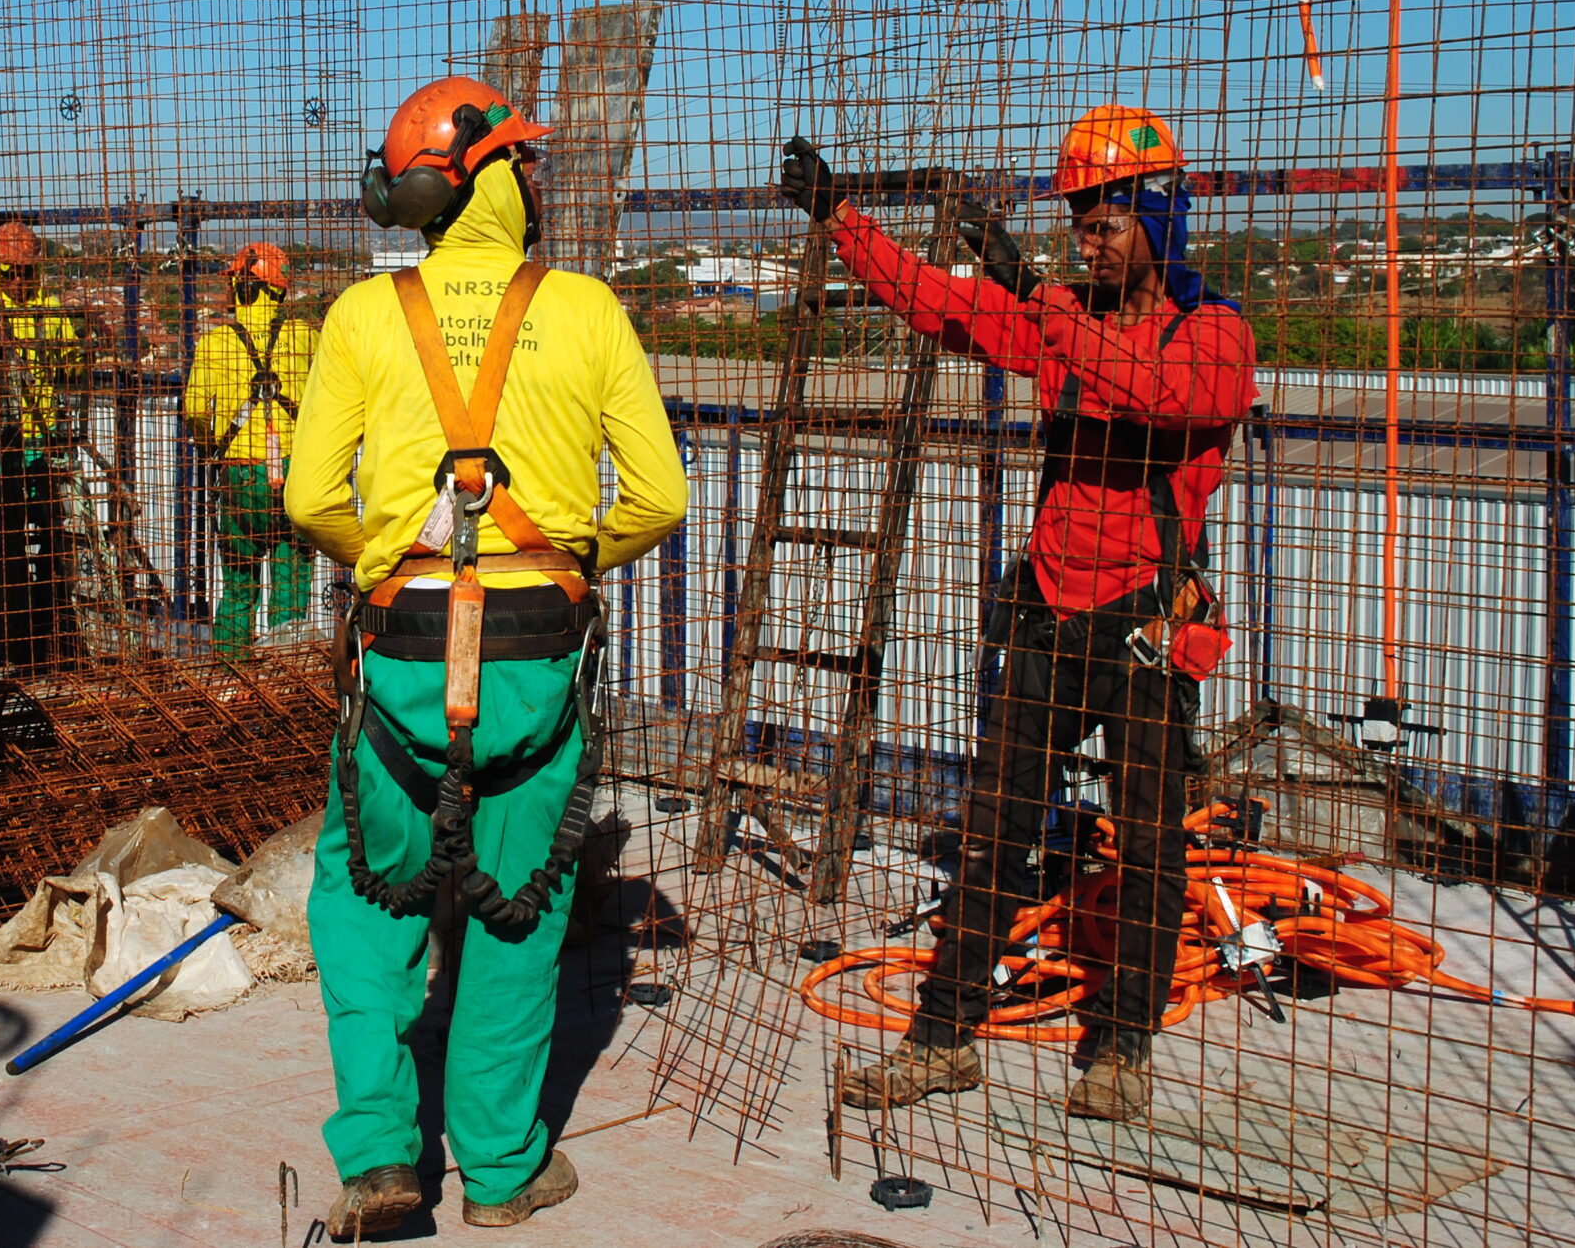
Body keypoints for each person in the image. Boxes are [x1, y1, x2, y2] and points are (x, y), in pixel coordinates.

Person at [783, 104, 1258, 1123]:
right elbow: (932, 304)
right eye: (1077, 221)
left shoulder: (1211, 332)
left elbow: (1156, 399)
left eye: (1105, 220)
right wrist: (842, 218)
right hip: (1046, 618)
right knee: (995, 834)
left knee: (1147, 845)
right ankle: (942, 1034)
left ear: (1159, 220)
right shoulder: (1064, 314)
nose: (1086, 238)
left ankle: (1121, 1046)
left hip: (1143, 626)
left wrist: (1038, 298)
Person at [286, 76, 689, 1236]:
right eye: (528, 161)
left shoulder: (367, 315)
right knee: (518, 912)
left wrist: (386, 560)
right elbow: (658, 495)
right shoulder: (586, 309)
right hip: (535, 660)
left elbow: (314, 495)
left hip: (401, 651)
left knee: (366, 910)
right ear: (496, 173)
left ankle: (380, 1160)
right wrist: (566, 557)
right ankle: (502, 1174)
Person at [181, 241, 319, 657]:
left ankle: (232, 670)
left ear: (242, 289)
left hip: (239, 473)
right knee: (291, 572)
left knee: (240, 580)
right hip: (294, 470)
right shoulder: (305, 338)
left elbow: (195, 414)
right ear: (277, 290)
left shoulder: (214, 343)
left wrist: (216, 448)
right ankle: (287, 668)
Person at [0, 220, 85, 669]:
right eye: (11, 270)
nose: (19, 279)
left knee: (52, 543)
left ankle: (45, 641)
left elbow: (72, 370)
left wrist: (72, 351)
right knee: (2, 543)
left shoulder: (49, 308)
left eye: (25, 271)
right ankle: (4, 641)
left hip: (43, 441)